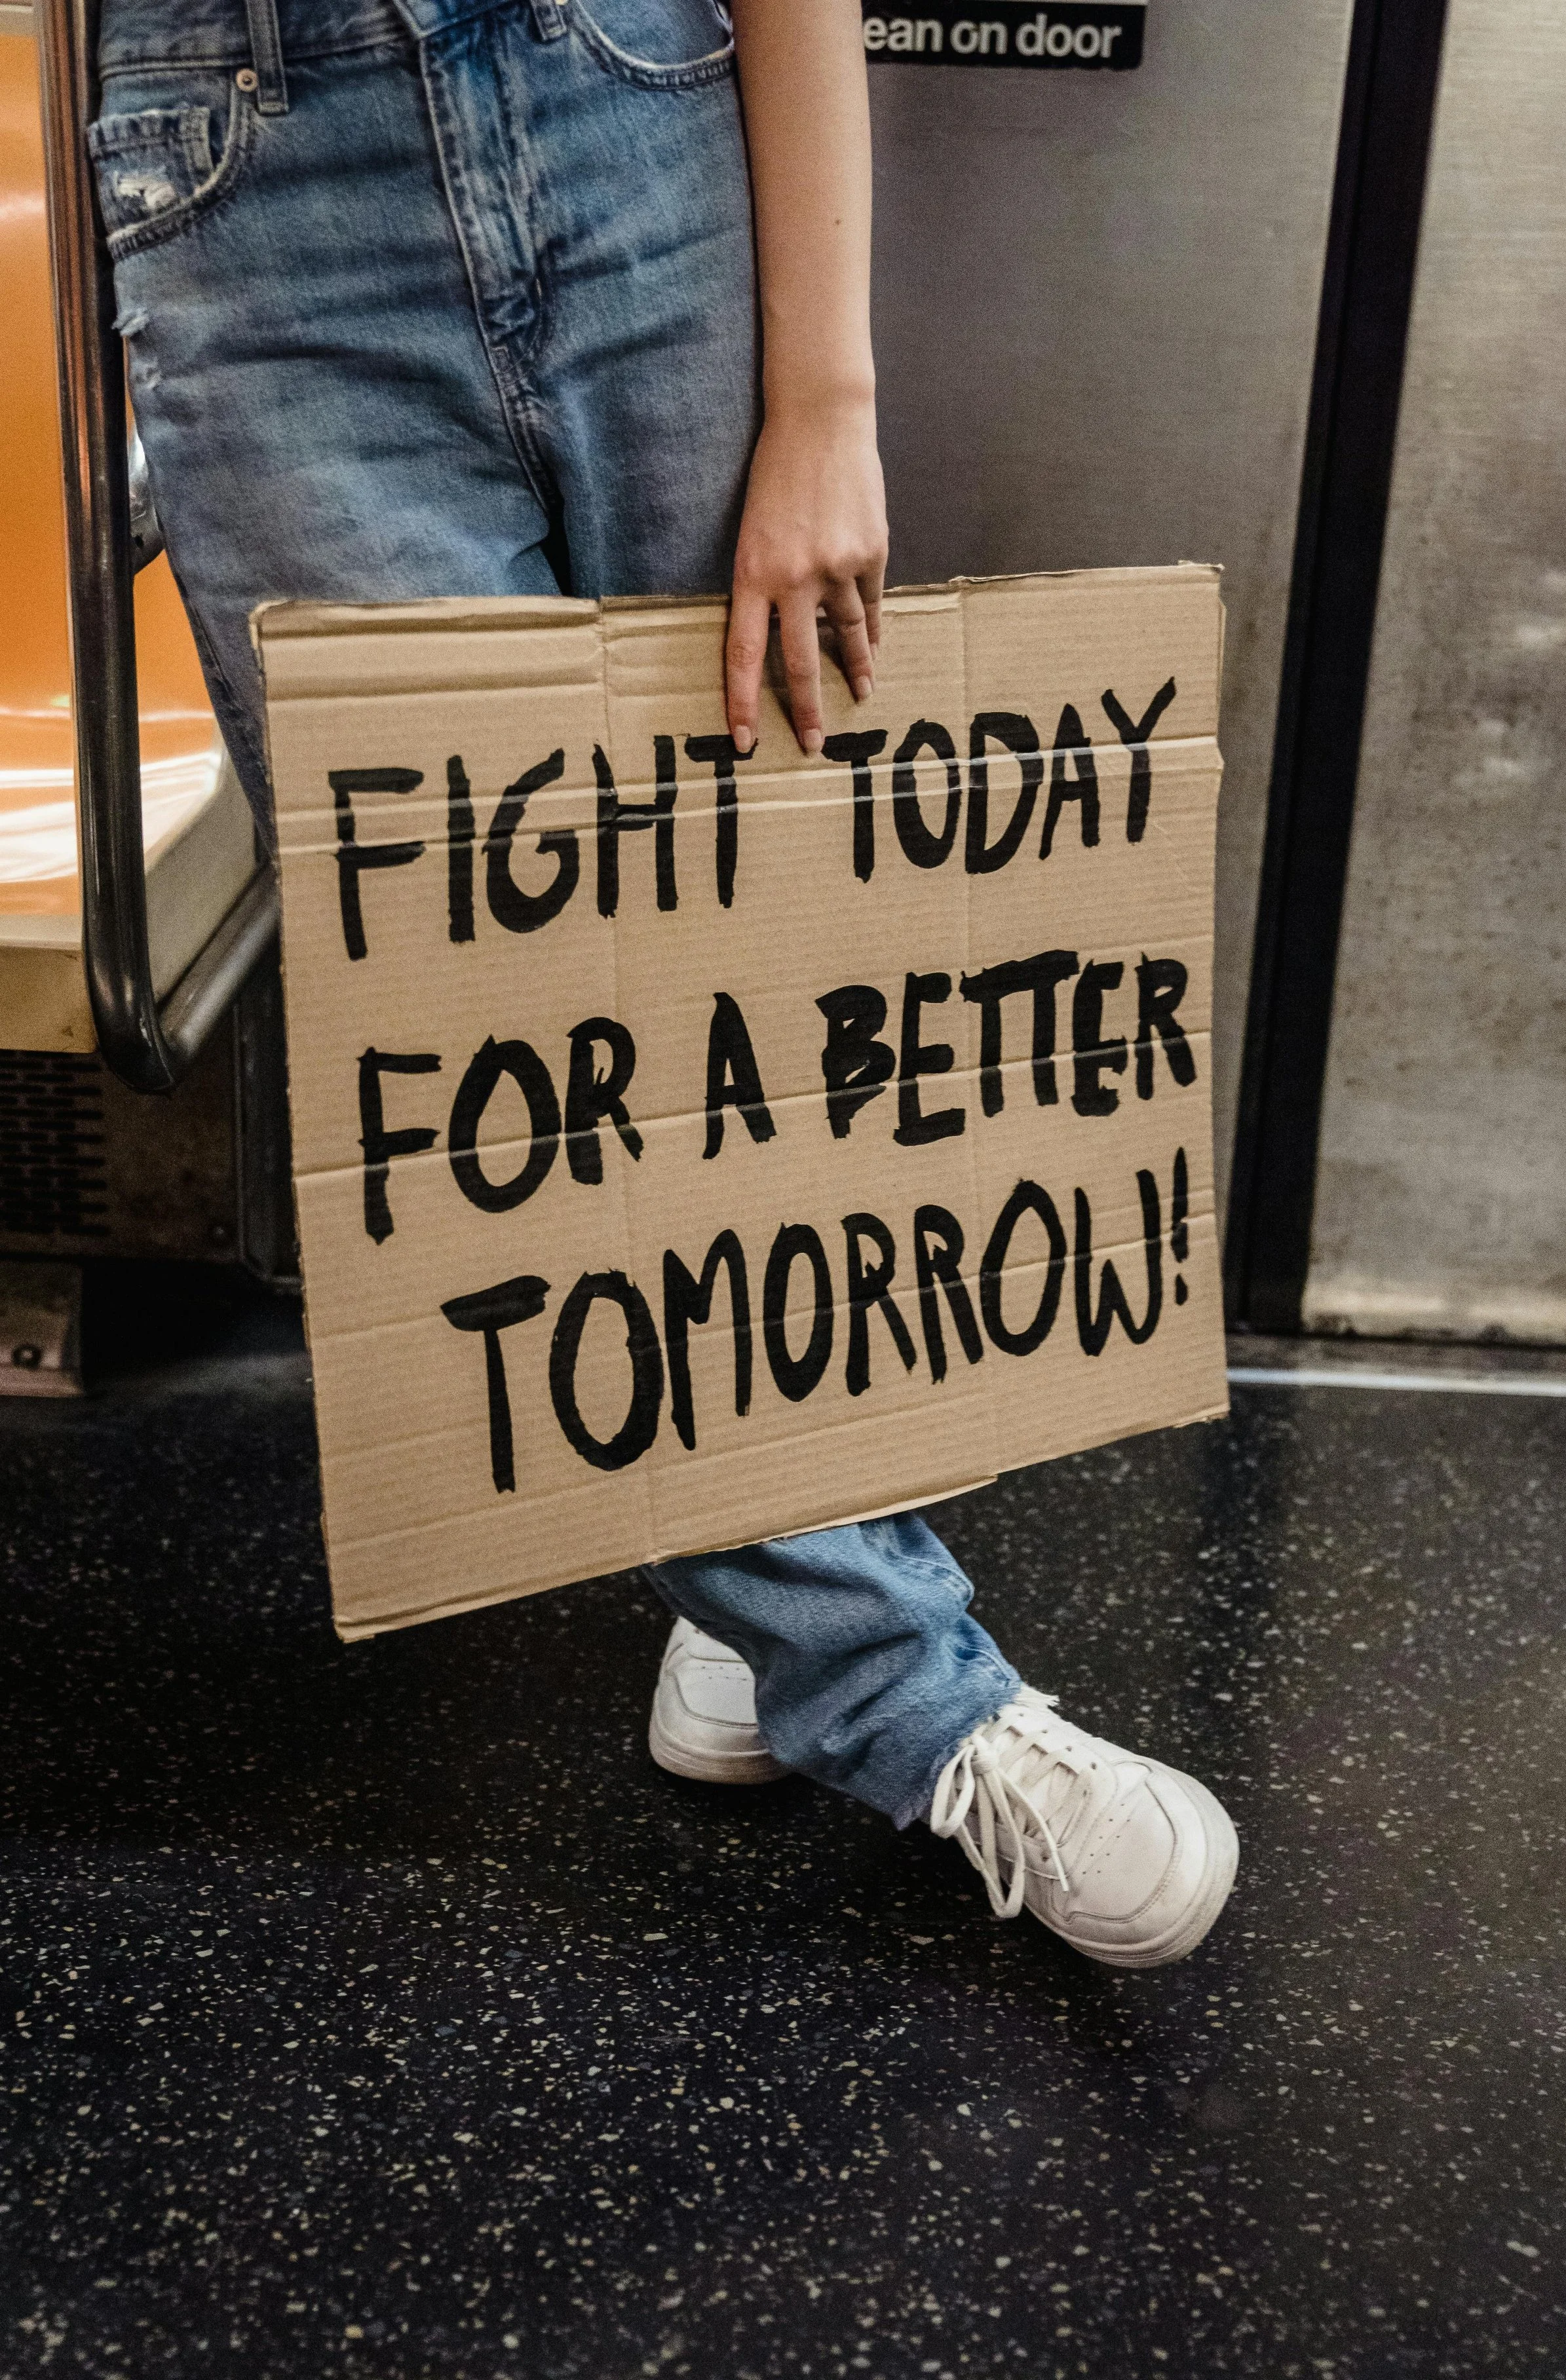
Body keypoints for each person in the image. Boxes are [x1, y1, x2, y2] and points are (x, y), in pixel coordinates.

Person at [90, 0, 1238, 1967]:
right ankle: (905, 1693)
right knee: (498, 1032)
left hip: (634, 89)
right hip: (238, 161)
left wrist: (830, 400)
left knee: (759, 961)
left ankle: (763, 1601)